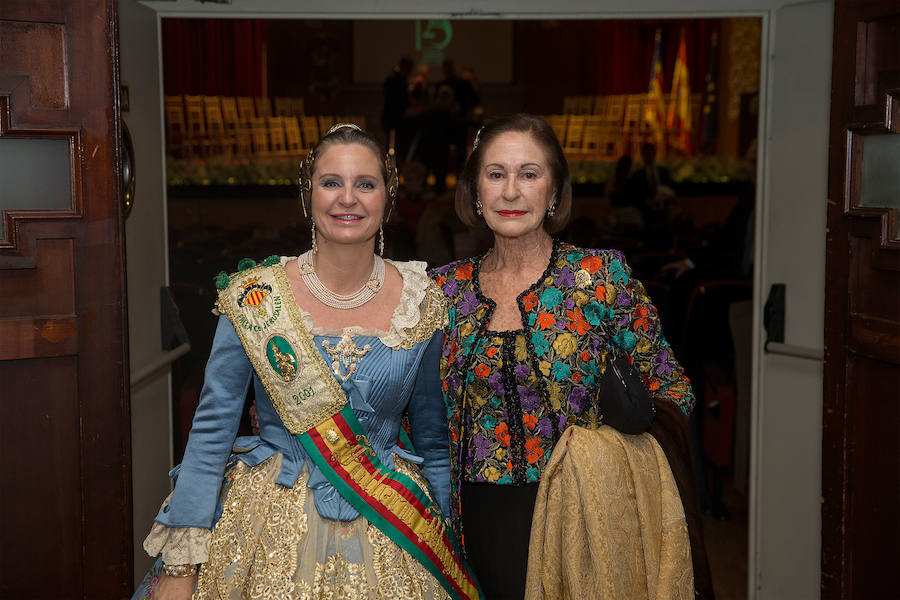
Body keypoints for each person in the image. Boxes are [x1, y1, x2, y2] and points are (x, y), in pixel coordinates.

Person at [135, 124, 481, 600]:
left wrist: (445, 541)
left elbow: (433, 441)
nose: (348, 199)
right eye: (331, 182)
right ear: (307, 196)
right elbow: (212, 433)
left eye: (365, 184)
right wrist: (180, 565)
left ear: (388, 197)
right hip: (265, 525)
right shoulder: (258, 297)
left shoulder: (422, 303)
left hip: (393, 526)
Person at [429, 114, 695, 598]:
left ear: (553, 192)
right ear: (474, 192)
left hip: (583, 525)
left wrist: (605, 454)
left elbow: (674, 391)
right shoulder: (440, 292)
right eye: (495, 174)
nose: (511, 192)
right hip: (470, 528)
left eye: (529, 174)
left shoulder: (599, 277)